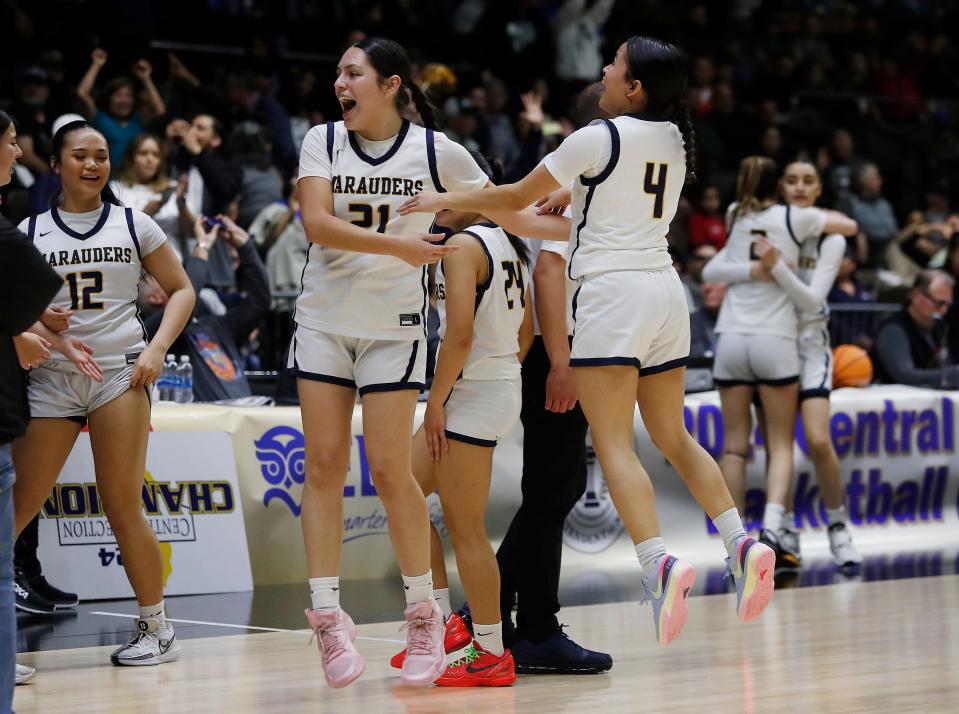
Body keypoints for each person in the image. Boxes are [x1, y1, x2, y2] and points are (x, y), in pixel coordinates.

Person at [401, 36, 777, 647]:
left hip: (613, 297)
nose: (604, 69)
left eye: (616, 65)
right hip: (664, 291)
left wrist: (449, 199)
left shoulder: (596, 137)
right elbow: (534, 216)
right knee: (673, 435)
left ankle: (658, 562)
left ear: (633, 88)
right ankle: (739, 541)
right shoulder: (676, 140)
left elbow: (515, 196)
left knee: (614, 444)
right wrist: (563, 196)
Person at [291, 37, 494, 688]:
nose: (340, 84)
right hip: (324, 320)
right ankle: (327, 617)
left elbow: (496, 205)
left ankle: (423, 614)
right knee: (322, 465)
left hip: (394, 329)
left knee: (387, 470)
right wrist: (398, 247)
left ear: (390, 84)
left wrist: (567, 218)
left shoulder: (435, 151)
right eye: (337, 73)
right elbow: (316, 224)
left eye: (353, 73)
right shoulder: (321, 141)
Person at [12, 120, 195, 667]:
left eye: (101, 156)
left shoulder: (135, 224)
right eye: (80, 156)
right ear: (56, 163)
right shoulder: (30, 229)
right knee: (19, 507)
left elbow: (183, 290)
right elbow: (14, 311)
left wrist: (156, 349)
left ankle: (157, 628)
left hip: (121, 374)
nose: (92, 165)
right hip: (51, 377)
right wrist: (43, 324)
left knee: (121, 506)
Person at [396, 152, 534, 686]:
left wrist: (436, 401)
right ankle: (444, 625)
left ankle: (492, 651)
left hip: (469, 393)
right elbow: (524, 336)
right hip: (490, 387)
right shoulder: (508, 242)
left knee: (466, 531)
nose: (431, 201)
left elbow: (458, 337)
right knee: (402, 491)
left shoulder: (465, 247)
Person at [493, 83, 612, 675]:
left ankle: (511, 616)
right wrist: (561, 363)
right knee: (552, 487)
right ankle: (517, 620)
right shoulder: (576, 185)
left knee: (556, 488)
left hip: (562, 348)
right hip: (549, 350)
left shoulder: (578, 178)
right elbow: (548, 271)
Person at [703, 157, 857, 560]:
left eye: (809, 181)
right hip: (777, 341)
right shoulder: (783, 219)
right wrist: (760, 268)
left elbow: (812, 300)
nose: (801, 187)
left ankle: (837, 524)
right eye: (792, 180)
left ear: (820, 191)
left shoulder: (827, 236)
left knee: (818, 440)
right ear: (781, 187)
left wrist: (769, 269)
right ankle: (780, 529)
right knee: (777, 442)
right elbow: (715, 267)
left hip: (808, 344)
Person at [0, 109, 64, 696]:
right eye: (11, 142)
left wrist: (29, 327)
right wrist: (25, 327)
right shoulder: (20, 230)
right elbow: (33, 289)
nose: (18, 153)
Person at [140, 214, 270, 402]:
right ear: (154, 298)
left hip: (248, 415)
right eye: (163, 273)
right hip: (206, 424)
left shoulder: (214, 324)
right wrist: (202, 246)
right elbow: (187, 300)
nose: (177, 273)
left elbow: (260, 301)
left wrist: (245, 247)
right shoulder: (153, 331)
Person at [76, 49, 166, 166]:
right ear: (109, 99)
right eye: (118, 95)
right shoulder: (100, 118)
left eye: (128, 96)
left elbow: (159, 110)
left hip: (133, 180)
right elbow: (82, 93)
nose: (124, 101)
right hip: (106, 180)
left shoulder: (138, 121)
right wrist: (96, 65)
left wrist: (145, 78)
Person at [873, 270, 959, 388]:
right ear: (916, 296)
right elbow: (905, 375)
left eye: (948, 305)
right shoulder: (894, 328)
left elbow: (944, 365)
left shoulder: (940, 328)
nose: (944, 310)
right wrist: (953, 374)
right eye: (939, 303)